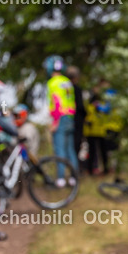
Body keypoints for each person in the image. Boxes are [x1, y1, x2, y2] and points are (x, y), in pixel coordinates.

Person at [44, 55, 78, 186]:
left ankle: (61, 179)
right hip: (70, 117)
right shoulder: (67, 81)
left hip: (60, 118)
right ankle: (73, 177)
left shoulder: (52, 83)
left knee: (60, 149)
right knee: (70, 149)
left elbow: (57, 102)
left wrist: (55, 122)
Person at [65, 66, 86, 167]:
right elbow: (80, 106)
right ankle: (75, 169)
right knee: (75, 146)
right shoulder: (76, 89)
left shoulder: (63, 88)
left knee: (67, 146)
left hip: (66, 120)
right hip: (76, 121)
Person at [82, 92, 106, 176]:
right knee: (92, 153)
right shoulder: (90, 108)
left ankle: (104, 169)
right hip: (92, 133)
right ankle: (91, 169)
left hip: (100, 132)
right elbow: (87, 119)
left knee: (101, 152)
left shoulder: (101, 107)